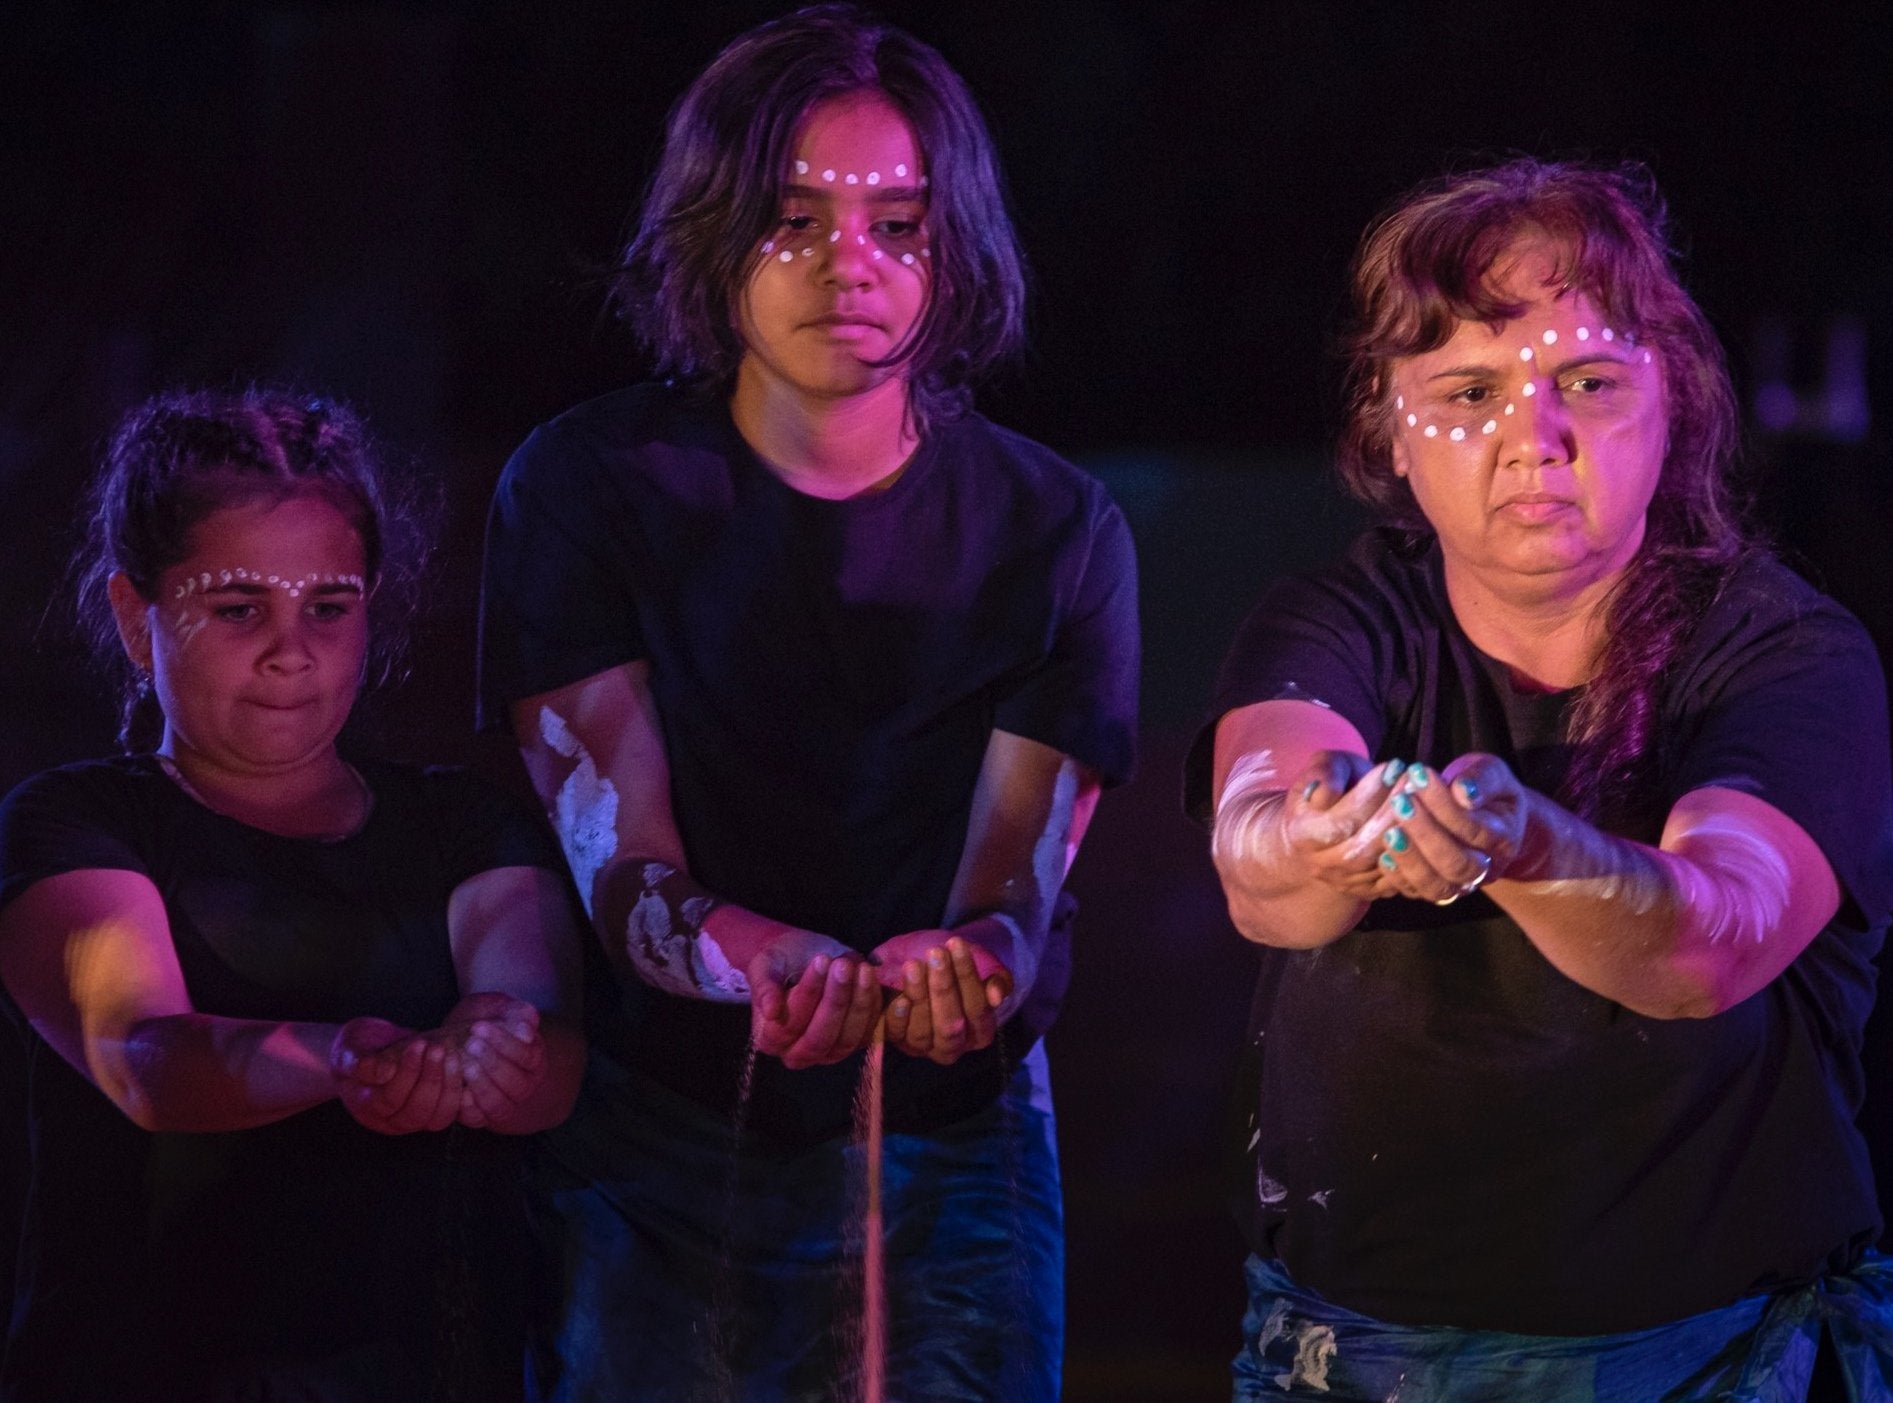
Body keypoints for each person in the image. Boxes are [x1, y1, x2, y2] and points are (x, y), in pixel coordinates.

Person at [479, 6, 1139, 1398]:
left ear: (953, 250)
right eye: (795, 218)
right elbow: (616, 851)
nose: (853, 265)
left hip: (956, 1134)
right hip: (657, 1114)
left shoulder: (1056, 528)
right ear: (717, 235)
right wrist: (746, 953)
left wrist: (973, 969)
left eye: (899, 224)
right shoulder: (588, 486)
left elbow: (1014, 880)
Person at [1197, 158, 1893, 1401]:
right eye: (1469, 389)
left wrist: (1528, 845)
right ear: (1384, 427)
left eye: (1586, 380)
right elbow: (1263, 874)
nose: (1537, 436)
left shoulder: (1789, 652)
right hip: (1347, 1354)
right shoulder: (1333, 621)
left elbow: (1705, 943)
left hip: (1716, 1353)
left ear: (1670, 401)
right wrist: (1318, 835)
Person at [0, 389, 584, 1402]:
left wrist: (496, 1043)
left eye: (328, 606)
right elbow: (145, 1057)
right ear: (137, 615)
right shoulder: (72, 825)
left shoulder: (466, 825)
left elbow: (550, 1057)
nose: (290, 649)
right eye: (237, 606)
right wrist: (345, 1058)